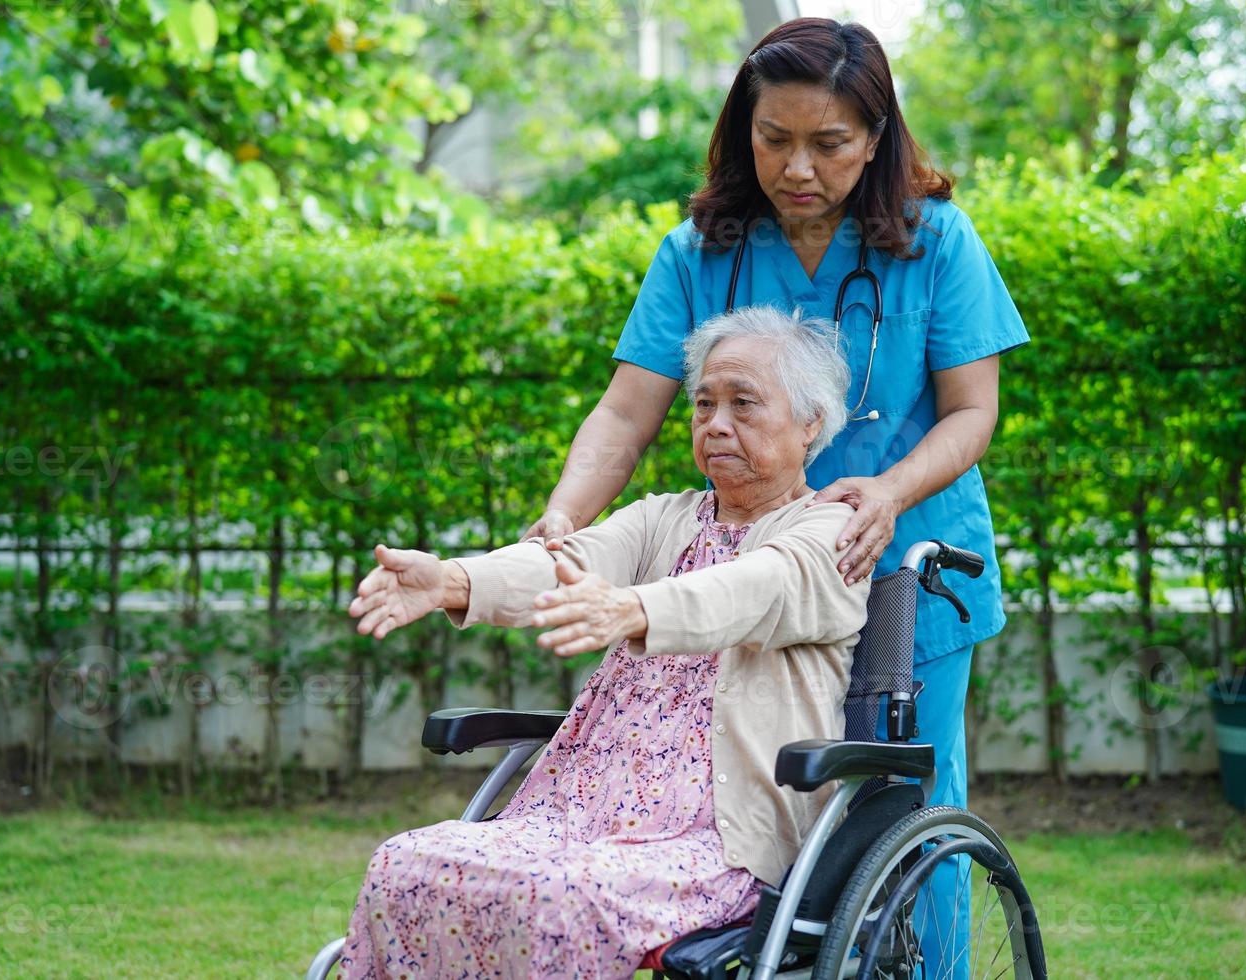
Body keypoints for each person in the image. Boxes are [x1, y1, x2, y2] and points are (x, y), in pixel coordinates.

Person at [522, 18, 1028, 977]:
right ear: (740, 131)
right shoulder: (697, 252)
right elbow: (626, 414)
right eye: (774, 139)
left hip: (903, 573)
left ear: (875, 137)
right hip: (746, 579)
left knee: (909, 819)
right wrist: (565, 515)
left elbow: (970, 413)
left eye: (829, 143)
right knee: (753, 813)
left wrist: (885, 489)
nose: (798, 167)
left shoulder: (937, 243)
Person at [338, 307, 869, 979]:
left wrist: (633, 608)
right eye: (703, 405)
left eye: (743, 404)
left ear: (810, 421)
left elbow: (749, 589)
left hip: (714, 839)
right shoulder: (661, 519)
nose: (716, 424)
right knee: (405, 865)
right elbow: (564, 562)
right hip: (574, 814)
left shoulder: (831, 534)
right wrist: (451, 580)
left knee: (561, 896)